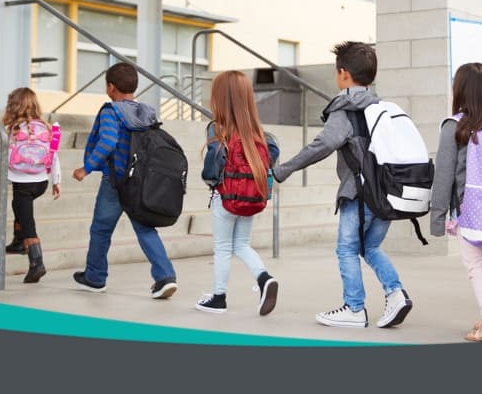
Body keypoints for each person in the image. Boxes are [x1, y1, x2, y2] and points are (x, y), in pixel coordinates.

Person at [272, 41, 413, 329]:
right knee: (370, 247)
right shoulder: (381, 107)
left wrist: (283, 169)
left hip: (359, 192)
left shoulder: (346, 108)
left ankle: (354, 308)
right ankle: (395, 293)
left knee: (347, 249)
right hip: (387, 192)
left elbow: (323, 143)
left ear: (343, 73)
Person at [71, 62, 179, 299]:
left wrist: (86, 168)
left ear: (111, 87)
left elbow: (108, 141)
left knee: (100, 230)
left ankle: (95, 277)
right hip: (140, 182)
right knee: (144, 228)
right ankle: (165, 277)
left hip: (115, 183)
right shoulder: (147, 112)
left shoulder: (112, 112)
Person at [430, 62, 482, 342]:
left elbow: (443, 175)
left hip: (472, 208)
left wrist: (437, 217)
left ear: (461, 90)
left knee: (477, 265)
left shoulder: (455, 126)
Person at [195, 70, 279, 316]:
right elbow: (272, 157)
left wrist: (210, 180)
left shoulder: (217, 129)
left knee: (222, 247)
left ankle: (218, 297)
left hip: (226, 198)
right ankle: (264, 278)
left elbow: (211, 169)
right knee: (241, 244)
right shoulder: (261, 134)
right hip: (250, 197)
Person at [0, 87, 61, 283]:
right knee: (19, 208)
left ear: (13, 106)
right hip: (41, 181)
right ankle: (18, 241)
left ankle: (37, 263)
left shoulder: (13, 130)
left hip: (22, 183)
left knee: (28, 222)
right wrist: (56, 181)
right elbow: (54, 156)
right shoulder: (48, 128)